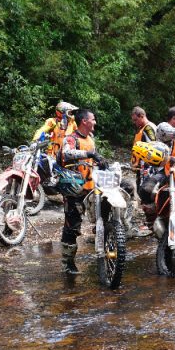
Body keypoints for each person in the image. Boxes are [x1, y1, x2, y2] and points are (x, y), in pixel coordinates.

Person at [58, 109, 105, 274]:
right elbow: (67, 153)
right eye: (93, 119)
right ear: (84, 121)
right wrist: (89, 154)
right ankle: (68, 263)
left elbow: (93, 157)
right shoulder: (71, 138)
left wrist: (100, 161)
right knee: (72, 226)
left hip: (92, 188)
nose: (95, 122)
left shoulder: (91, 139)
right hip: (74, 189)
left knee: (102, 216)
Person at [130, 107, 158, 237]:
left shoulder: (148, 128)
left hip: (148, 168)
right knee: (143, 193)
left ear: (141, 116)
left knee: (146, 193)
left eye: (136, 120)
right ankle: (151, 222)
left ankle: (152, 224)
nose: (134, 122)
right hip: (142, 167)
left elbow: (154, 145)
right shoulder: (142, 129)